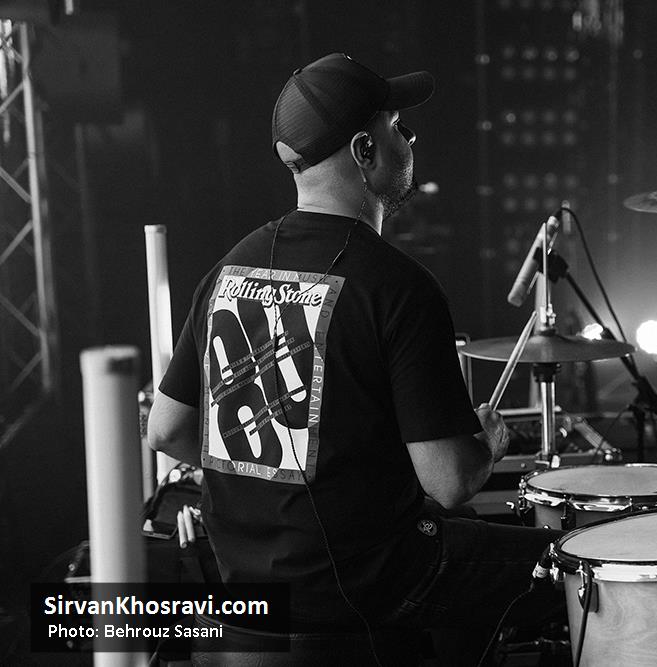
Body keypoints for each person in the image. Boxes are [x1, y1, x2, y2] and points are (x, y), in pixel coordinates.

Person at [147, 53, 565, 664]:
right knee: (575, 566)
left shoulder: (229, 268)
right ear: (365, 150)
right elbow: (449, 483)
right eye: (399, 127)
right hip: (368, 589)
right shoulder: (397, 287)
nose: (411, 139)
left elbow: (166, 430)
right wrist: (486, 443)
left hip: (248, 596)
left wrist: (279, 483)